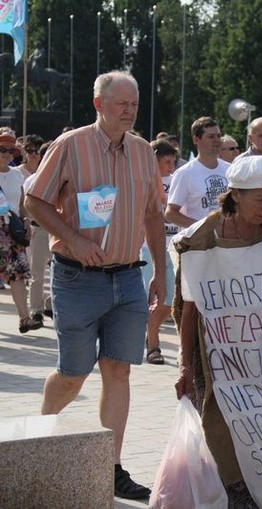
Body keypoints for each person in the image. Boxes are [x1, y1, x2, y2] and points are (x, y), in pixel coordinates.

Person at [26, 71, 166, 500]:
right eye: (121, 103)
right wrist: (72, 238)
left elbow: (153, 216)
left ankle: (111, 467)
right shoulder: (71, 145)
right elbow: (34, 200)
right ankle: (40, 438)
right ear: (98, 104)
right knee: (74, 373)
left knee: (118, 370)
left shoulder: (144, 152)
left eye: (135, 104)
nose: (130, 111)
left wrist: (160, 270)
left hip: (127, 276)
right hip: (77, 277)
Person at [173, 155, 262, 508]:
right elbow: (190, 309)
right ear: (235, 194)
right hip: (221, 363)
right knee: (227, 440)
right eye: (260, 199)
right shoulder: (200, 240)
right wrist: (184, 363)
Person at [140, 140, 178, 365]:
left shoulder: (176, 180)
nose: (171, 166)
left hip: (173, 245)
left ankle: (149, 336)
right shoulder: (145, 182)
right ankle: (153, 345)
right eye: (166, 162)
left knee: (169, 300)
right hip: (148, 247)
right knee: (156, 298)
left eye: (174, 161)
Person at [0, 130, 41, 333]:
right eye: (2, 149)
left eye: (10, 150)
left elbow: (22, 204)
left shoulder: (17, 175)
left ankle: (25, 319)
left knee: (18, 274)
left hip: (13, 230)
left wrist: (26, 221)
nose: (6, 154)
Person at [165, 116, 229, 229]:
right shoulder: (185, 173)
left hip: (228, 239)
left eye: (218, 136)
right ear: (196, 140)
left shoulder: (230, 169)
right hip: (200, 243)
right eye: (211, 136)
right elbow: (171, 213)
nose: (217, 140)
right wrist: (203, 227)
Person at [21, 136, 53, 323]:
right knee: (38, 273)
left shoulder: (63, 177)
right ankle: (36, 309)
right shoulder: (32, 180)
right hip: (39, 229)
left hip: (59, 231)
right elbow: (26, 206)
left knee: (61, 272)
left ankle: (50, 304)